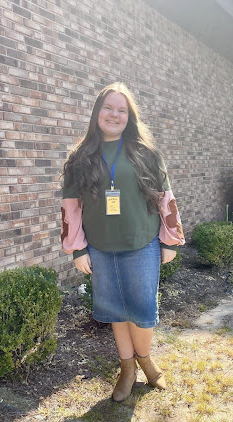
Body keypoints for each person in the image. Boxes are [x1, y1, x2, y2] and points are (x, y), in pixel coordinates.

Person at [61, 82, 185, 402]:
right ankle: (127, 369)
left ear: (129, 117)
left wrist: (169, 241)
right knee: (117, 312)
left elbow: (165, 199)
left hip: (142, 244)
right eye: (108, 108)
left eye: (122, 110)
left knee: (142, 313)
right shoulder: (78, 158)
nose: (114, 115)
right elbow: (71, 207)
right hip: (101, 249)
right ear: (97, 113)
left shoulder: (147, 154)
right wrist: (77, 249)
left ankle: (145, 360)